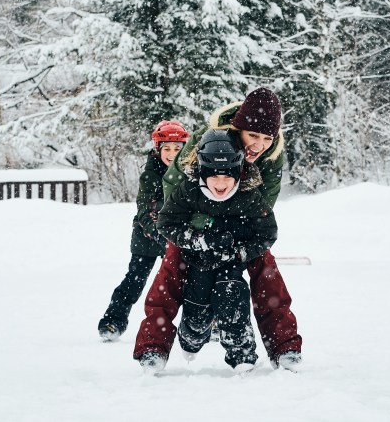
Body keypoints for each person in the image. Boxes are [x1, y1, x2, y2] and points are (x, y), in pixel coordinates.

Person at [134, 87, 303, 371]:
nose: (258, 145)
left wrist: (239, 240)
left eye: (266, 138)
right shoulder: (205, 141)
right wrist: (204, 231)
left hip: (241, 222)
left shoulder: (272, 157)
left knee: (266, 271)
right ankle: (153, 347)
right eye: (253, 136)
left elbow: (265, 207)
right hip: (193, 220)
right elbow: (173, 186)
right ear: (238, 128)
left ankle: (284, 347)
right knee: (170, 272)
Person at [143, 129, 277, 373]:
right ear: (203, 172)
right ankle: (190, 338)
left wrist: (240, 253)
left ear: (238, 172)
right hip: (197, 263)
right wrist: (198, 240)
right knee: (197, 310)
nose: (221, 184)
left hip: (231, 261)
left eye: (228, 177)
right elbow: (167, 223)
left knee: (234, 296)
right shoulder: (189, 190)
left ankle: (242, 354)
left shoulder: (248, 195)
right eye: (214, 177)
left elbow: (267, 233)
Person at [97, 120, 189, 341]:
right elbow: (145, 210)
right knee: (135, 279)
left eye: (177, 149)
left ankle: (205, 323)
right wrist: (160, 235)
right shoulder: (150, 174)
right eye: (166, 148)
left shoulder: (189, 171)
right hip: (147, 237)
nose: (171, 154)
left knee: (193, 280)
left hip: (178, 236)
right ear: (158, 149)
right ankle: (113, 320)